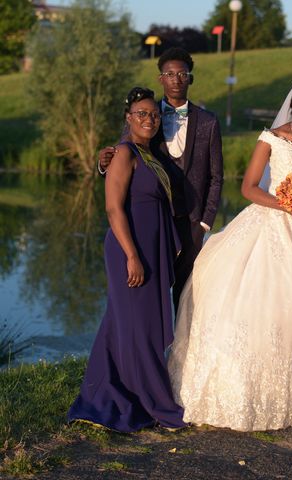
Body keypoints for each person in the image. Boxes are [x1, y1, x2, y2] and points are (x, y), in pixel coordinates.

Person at [168, 75, 292, 431]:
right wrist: (284, 203)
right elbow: (248, 187)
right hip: (271, 218)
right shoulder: (271, 139)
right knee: (255, 303)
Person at [68, 87, 187, 432]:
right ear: (128, 118)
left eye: (154, 114)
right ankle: (157, 403)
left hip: (148, 248)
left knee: (120, 324)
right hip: (129, 249)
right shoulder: (124, 152)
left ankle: (102, 392)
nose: (149, 120)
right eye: (142, 114)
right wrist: (132, 255)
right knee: (141, 329)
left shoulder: (149, 153)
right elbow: (112, 207)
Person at [99, 47, 223, 311]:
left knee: (187, 292)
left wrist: (205, 223)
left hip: (192, 221)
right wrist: (103, 164)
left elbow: (216, 177)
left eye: (182, 74)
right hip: (152, 221)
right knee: (149, 290)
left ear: (190, 78)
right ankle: (149, 347)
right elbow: (124, 152)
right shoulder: (145, 114)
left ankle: (181, 349)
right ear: (161, 79)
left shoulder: (208, 122)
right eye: (169, 74)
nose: (176, 79)